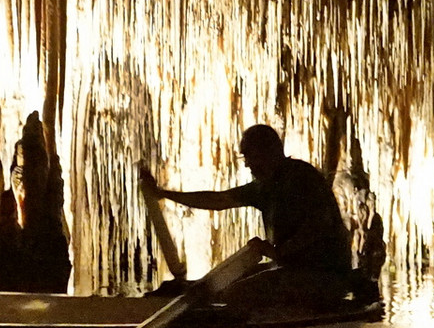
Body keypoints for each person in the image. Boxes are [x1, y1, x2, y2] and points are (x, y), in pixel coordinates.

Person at [144, 123, 352, 312]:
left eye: (249, 157)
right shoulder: (265, 186)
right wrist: (164, 194)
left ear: (269, 152)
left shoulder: (301, 178)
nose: (247, 165)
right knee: (221, 284)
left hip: (323, 275)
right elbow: (219, 201)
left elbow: (319, 224)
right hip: (295, 270)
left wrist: (277, 251)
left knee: (237, 293)